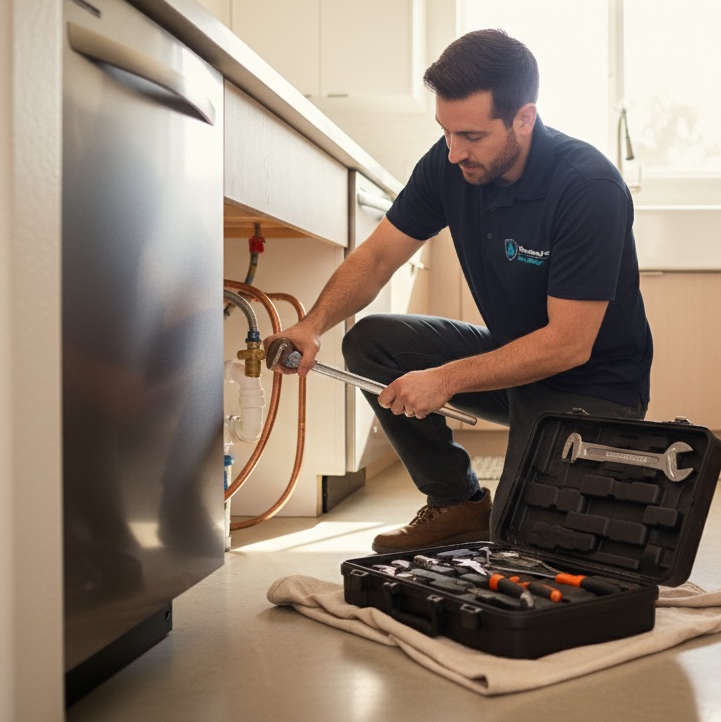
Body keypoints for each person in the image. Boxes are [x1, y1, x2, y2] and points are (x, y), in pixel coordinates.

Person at [267, 29, 652, 554]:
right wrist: (311, 325)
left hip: (591, 385)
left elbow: (568, 344)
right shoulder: (448, 166)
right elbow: (379, 256)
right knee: (373, 342)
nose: (454, 152)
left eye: (471, 136)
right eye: (446, 132)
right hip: (515, 366)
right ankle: (457, 504)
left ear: (524, 118)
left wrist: (445, 378)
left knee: (521, 542)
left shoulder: (587, 187)